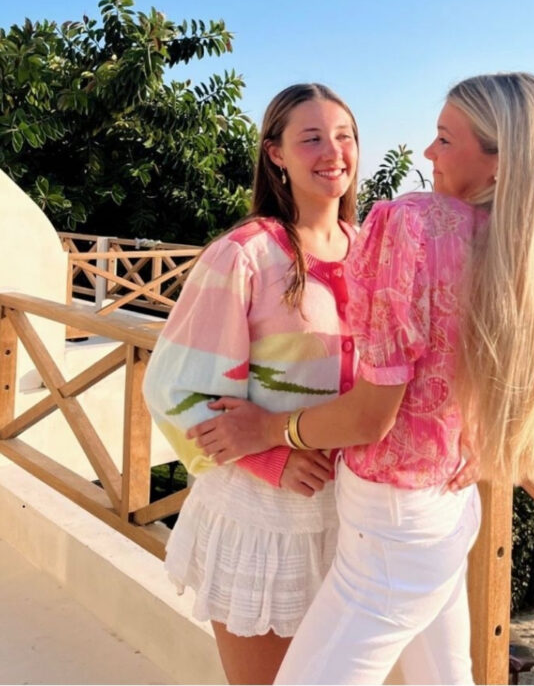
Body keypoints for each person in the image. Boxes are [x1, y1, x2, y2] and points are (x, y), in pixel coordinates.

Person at [187, 72, 534, 684]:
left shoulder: (409, 224)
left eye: (444, 139)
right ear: (275, 155)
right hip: (448, 506)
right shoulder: (527, 248)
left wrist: (270, 432)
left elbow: (369, 415)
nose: (426, 153)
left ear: (500, 160)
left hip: (390, 524)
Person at [142, 83, 360, 684]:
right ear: (275, 155)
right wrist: (270, 459)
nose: (333, 152)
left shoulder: (373, 253)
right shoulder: (243, 255)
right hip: (268, 523)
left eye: (344, 136)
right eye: (311, 137)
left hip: (357, 520)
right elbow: (174, 387)